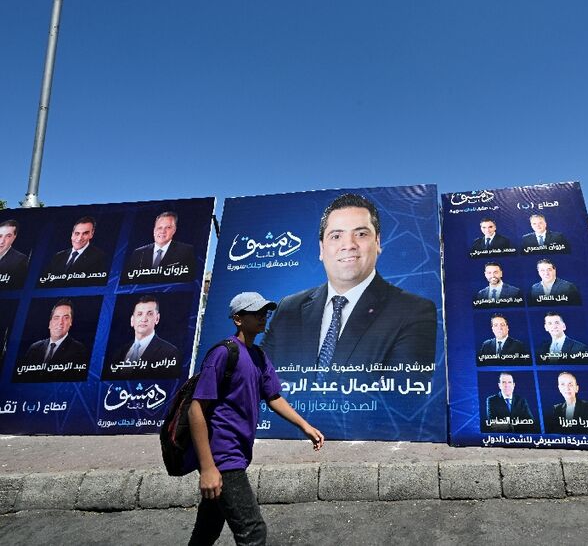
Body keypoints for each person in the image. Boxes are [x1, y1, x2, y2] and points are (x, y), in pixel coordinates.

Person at [188, 291, 324, 545]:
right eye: (257, 313)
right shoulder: (223, 353)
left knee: (207, 530)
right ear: (238, 319)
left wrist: (305, 426)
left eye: (265, 312)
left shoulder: (259, 356)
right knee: (253, 532)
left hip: (238, 452)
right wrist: (208, 467)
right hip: (223, 455)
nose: (264, 317)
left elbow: (273, 397)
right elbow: (196, 408)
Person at [261, 193, 437, 368]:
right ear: (321, 249)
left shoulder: (414, 311)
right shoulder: (288, 309)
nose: (349, 245)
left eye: (360, 234)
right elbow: (258, 379)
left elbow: (404, 392)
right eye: (336, 236)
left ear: (377, 242)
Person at [102, 295, 181, 380]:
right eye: (139, 314)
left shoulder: (170, 353)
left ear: (157, 319)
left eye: (150, 314)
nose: (144, 319)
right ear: (132, 320)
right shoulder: (118, 353)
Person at [15, 299, 89, 382]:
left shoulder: (78, 350)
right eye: (56, 318)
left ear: (71, 322)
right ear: (50, 323)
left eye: (66, 318)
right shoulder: (34, 348)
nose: (60, 322)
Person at [123, 211, 196, 284]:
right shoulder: (138, 253)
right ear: (154, 230)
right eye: (159, 227)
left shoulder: (186, 251)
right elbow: (129, 280)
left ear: (174, 230)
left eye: (168, 227)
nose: (162, 231)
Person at [40, 216, 108, 286]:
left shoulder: (100, 257)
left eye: (85, 233)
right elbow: (44, 282)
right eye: (77, 233)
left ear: (92, 234)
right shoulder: (58, 256)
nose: (79, 238)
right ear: (72, 234)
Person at [0, 220, 29, 290]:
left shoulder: (20, 260)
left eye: (8, 236)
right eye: (0, 236)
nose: (2, 241)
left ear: (14, 237)